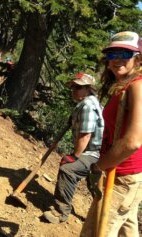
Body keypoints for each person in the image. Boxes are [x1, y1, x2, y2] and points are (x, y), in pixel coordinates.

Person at [81, 31, 142, 237]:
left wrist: (99, 166)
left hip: (123, 177)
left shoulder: (137, 87)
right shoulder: (125, 86)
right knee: (128, 231)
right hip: (123, 173)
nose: (116, 60)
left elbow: (133, 142)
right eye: (111, 54)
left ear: (138, 57)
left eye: (124, 54)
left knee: (95, 232)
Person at [42, 73, 104, 224]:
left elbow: (85, 135)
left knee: (68, 168)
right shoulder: (87, 103)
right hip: (95, 151)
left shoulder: (88, 105)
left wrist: (75, 156)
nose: (74, 90)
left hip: (94, 153)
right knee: (95, 184)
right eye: (74, 87)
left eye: (79, 87)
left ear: (89, 89)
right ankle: (100, 216)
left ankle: (60, 212)